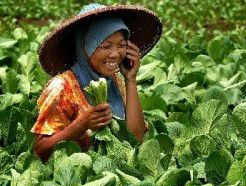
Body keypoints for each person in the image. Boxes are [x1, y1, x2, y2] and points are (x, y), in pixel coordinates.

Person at [31, 3, 163, 162]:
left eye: (122, 45)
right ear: (84, 47)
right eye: (105, 46)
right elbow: (39, 151)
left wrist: (130, 79)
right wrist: (81, 125)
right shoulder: (61, 87)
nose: (115, 54)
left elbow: (137, 138)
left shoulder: (116, 81)